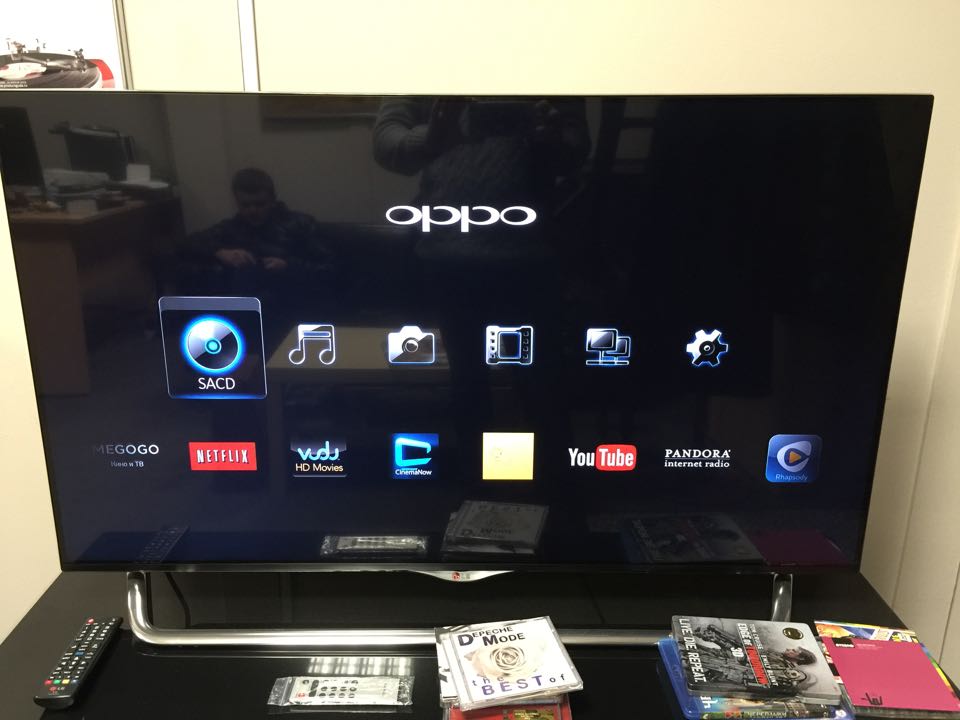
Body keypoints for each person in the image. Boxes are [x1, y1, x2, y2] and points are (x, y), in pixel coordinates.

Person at [181, 168, 335, 301]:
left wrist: (288, 266)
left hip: (293, 302)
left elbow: (329, 268)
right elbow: (186, 244)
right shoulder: (232, 227)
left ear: (272, 200)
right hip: (247, 306)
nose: (252, 210)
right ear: (237, 202)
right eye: (245, 205)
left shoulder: (300, 224)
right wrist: (220, 252)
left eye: (260, 204)